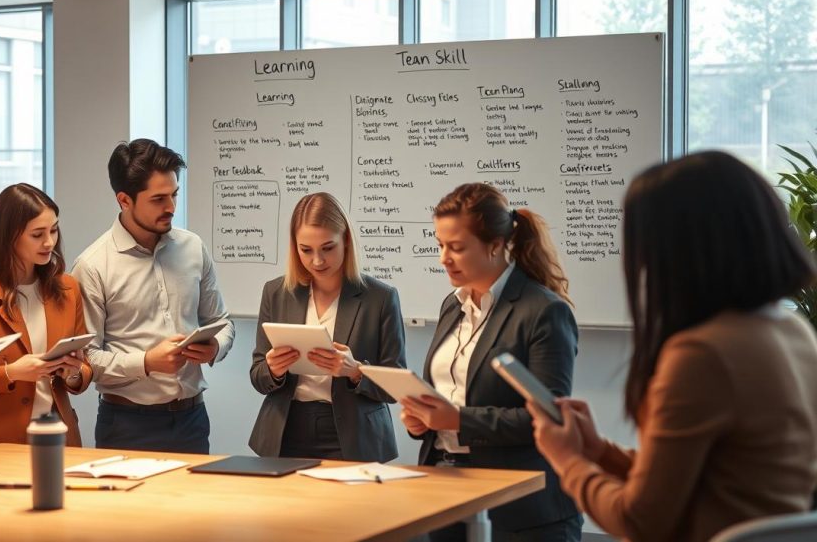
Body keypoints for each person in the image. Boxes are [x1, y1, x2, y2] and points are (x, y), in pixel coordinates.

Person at [529, 151, 817, 542]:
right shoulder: (793, 330)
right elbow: (711, 481)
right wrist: (599, 452)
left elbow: (639, 523)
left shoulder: (702, 354)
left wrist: (568, 460)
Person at [400, 182, 582, 541]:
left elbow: (547, 418)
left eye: (457, 247)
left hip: (521, 508)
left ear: (496, 246)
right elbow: (446, 394)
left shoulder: (544, 311)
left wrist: (456, 418)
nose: (443, 259)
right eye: (440, 246)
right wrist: (420, 419)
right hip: (445, 489)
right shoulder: (453, 305)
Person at [73, 139, 234, 454]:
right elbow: (87, 359)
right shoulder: (92, 265)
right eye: (158, 199)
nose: (171, 207)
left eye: (174, 194)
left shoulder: (192, 247)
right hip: (126, 424)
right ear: (124, 200)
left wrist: (215, 345)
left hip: (192, 419)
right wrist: (146, 363)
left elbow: (221, 320)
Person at [249, 192, 406, 461]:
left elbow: (396, 385)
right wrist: (273, 370)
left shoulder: (380, 297)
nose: (317, 261)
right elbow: (258, 375)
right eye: (305, 250)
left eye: (328, 247)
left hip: (355, 436)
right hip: (286, 431)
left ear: (346, 240)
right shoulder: (276, 292)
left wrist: (355, 371)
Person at [0, 183, 91, 453]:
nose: (49, 242)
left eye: (54, 230)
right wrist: (11, 373)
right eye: (37, 234)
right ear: (9, 236)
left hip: (56, 440)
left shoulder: (68, 288)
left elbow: (84, 366)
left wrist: (73, 373)